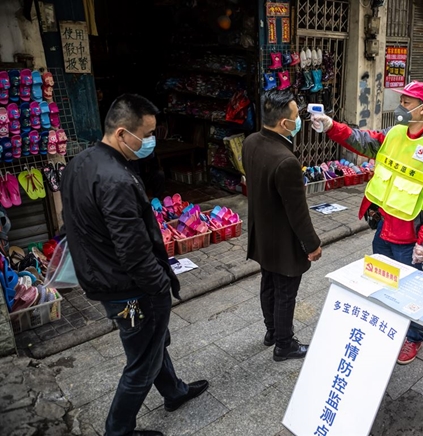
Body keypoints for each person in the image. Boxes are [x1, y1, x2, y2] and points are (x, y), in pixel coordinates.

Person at [61, 94, 208, 436]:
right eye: (148, 134)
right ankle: (118, 429)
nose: (151, 141)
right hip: (129, 287)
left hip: (105, 277)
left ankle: (174, 391)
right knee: (141, 362)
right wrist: (158, 285)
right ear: (123, 133)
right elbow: (133, 249)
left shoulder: (80, 162)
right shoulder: (116, 179)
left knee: (149, 344)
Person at [311, 81, 423, 365]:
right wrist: (330, 126)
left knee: (410, 290)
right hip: (382, 227)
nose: (401, 107)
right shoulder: (394, 132)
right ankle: (385, 328)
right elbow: (363, 140)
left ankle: (413, 338)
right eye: (401, 100)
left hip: (409, 237)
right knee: (380, 282)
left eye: (407, 102)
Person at [242, 89, 322, 362]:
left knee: (268, 283)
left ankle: (272, 332)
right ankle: (284, 345)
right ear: (283, 123)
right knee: (285, 290)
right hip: (283, 240)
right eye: (296, 116)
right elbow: (297, 212)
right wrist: (312, 244)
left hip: (262, 234)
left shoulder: (251, 142)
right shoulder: (286, 160)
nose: (299, 120)